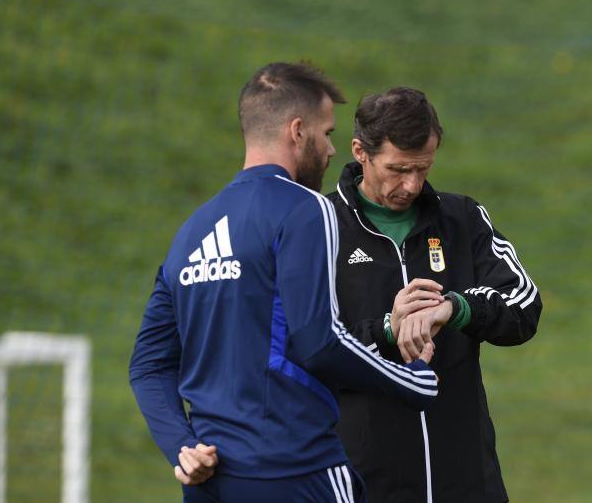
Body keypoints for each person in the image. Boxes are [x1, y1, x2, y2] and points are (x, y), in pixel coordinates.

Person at [129, 64, 438, 502]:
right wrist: (413, 381)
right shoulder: (306, 208)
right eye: (327, 133)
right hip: (297, 470)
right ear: (297, 131)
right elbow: (320, 340)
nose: (332, 150)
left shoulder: (191, 231)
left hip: (211, 482)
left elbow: (148, 364)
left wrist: (182, 446)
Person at [327, 87, 542, 503]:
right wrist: (386, 330)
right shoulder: (320, 227)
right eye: (397, 169)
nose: (411, 185)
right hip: (364, 484)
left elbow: (524, 303)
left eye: (423, 168)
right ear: (360, 152)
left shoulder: (462, 218)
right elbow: (303, 348)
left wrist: (456, 308)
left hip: (466, 482)